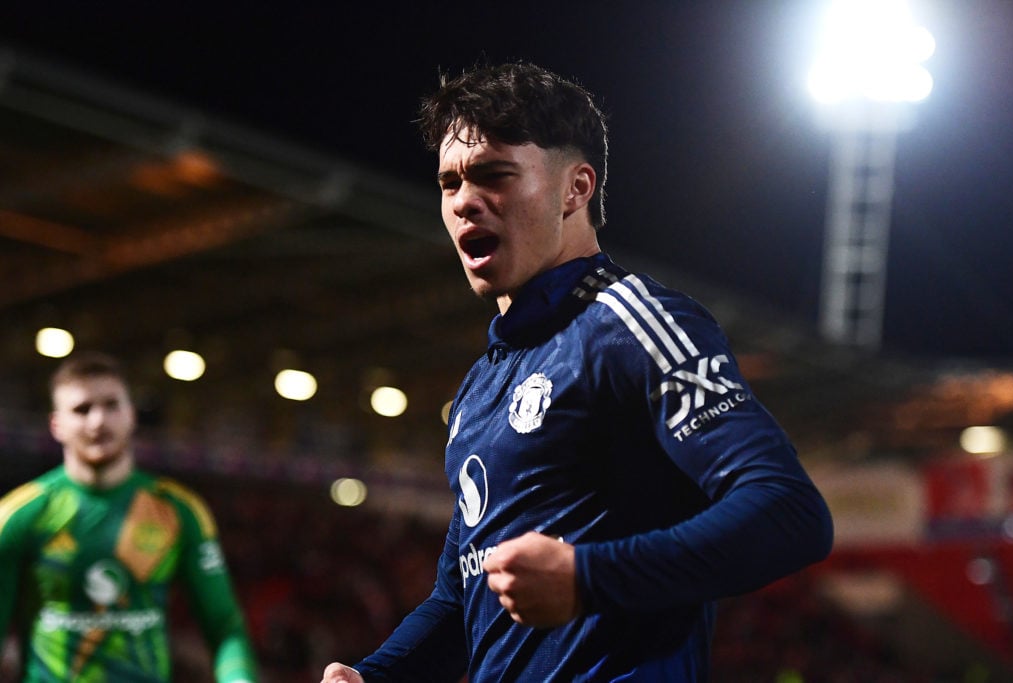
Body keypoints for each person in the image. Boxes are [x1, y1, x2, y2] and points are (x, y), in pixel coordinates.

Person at [321, 61, 833, 682]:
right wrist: (372, 676)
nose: (464, 202)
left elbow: (789, 512)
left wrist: (588, 578)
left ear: (575, 189)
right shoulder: (481, 387)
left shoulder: (632, 326)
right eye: (449, 183)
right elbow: (461, 599)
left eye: (493, 176)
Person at [0, 351, 259, 682]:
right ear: (57, 425)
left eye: (111, 405)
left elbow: (224, 626)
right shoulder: (19, 515)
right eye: (82, 409)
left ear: (132, 415)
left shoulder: (179, 511)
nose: (98, 421)